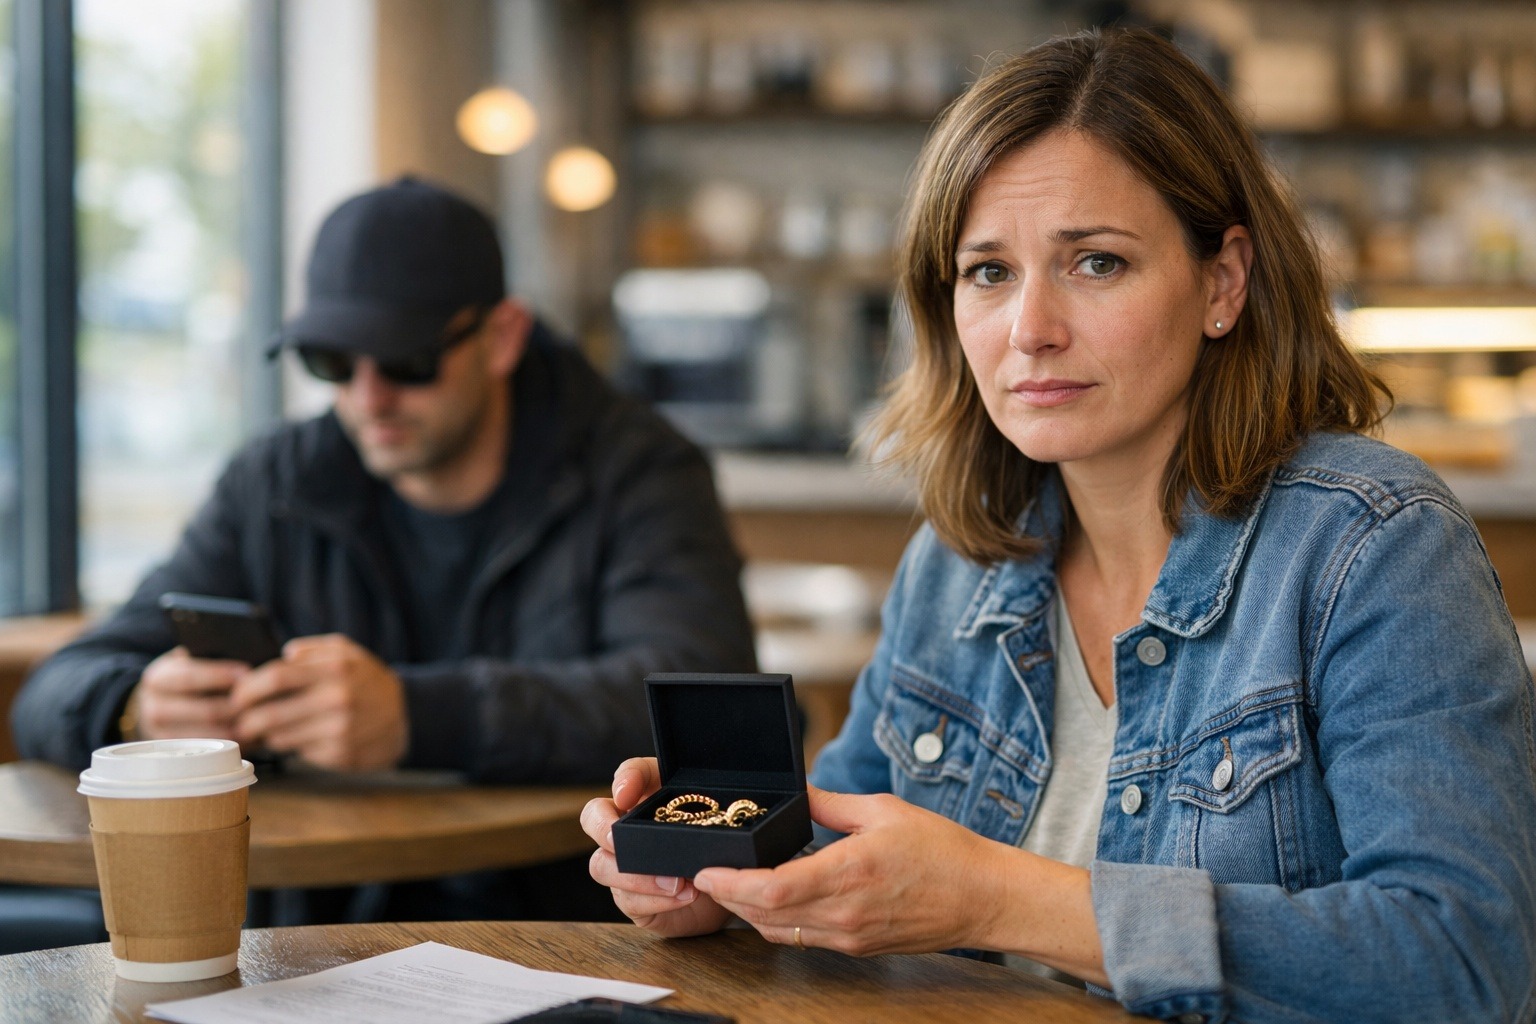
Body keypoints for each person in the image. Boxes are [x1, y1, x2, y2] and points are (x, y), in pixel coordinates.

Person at [583, 29, 1536, 1024]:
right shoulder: (957, 560)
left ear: (1223, 283)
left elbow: (1462, 965)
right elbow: (839, 852)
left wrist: (1001, 897)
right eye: (989, 272)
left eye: (1095, 262)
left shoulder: (1372, 548)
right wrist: (725, 880)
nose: (1030, 326)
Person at [11, 177, 757, 938]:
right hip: (310, 945)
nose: (369, 398)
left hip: (571, 935)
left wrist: (417, 717)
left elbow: (709, 700)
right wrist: (137, 704)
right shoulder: (276, 484)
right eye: (332, 362)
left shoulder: (638, 471)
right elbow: (52, 691)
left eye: (407, 361)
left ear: (501, 337)